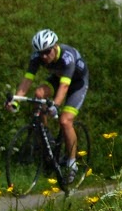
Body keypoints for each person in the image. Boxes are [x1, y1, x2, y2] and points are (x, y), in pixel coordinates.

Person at [10, 28, 88, 185]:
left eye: (47, 52)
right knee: (39, 95)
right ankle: (47, 137)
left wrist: (56, 105)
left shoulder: (67, 57)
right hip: (58, 79)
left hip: (76, 84)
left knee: (65, 121)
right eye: (41, 53)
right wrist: (16, 100)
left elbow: (65, 87)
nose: (44, 56)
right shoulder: (37, 57)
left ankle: (72, 163)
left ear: (55, 46)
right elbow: (27, 80)